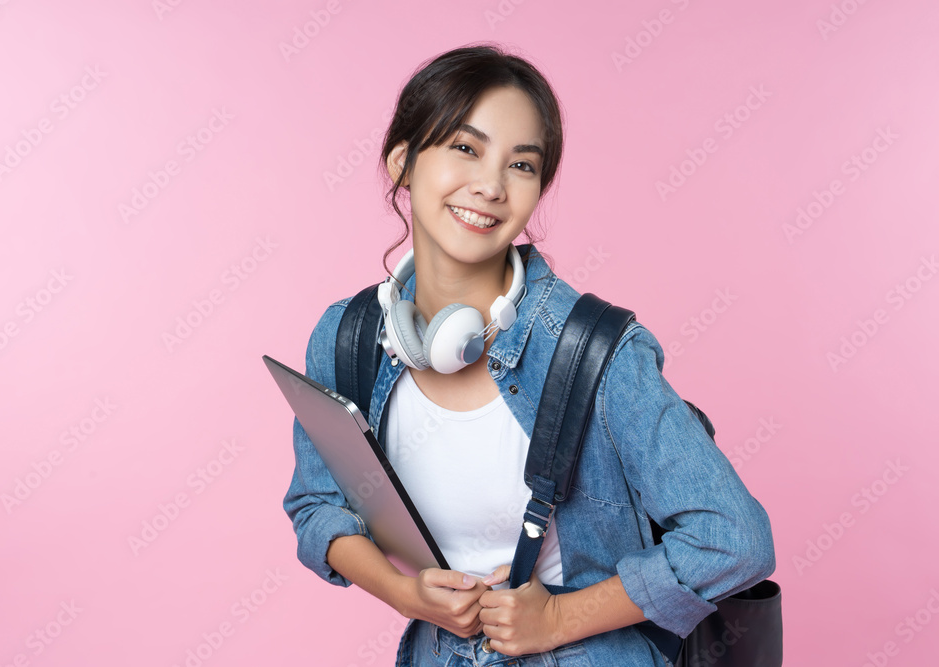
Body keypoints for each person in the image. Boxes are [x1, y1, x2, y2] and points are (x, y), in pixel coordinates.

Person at [283, 43, 776, 666]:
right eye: (466, 148)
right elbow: (318, 505)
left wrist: (557, 618)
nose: (489, 185)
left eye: (521, 165)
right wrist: (407, 594)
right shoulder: (347, 337)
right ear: (403, 161)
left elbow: (734, 540)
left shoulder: (596, 352)